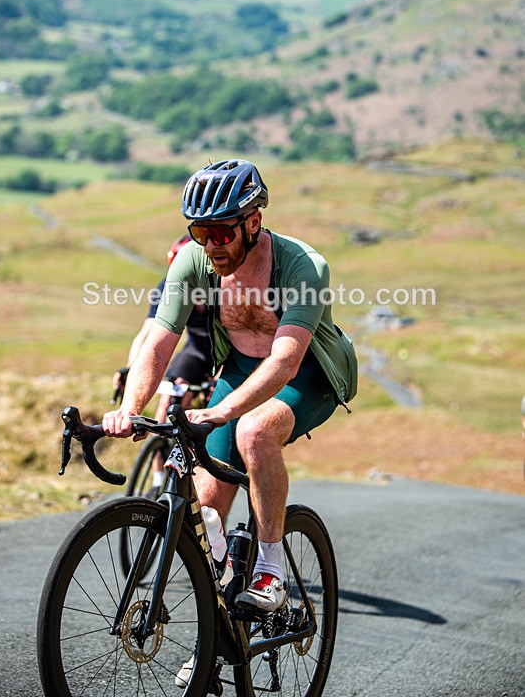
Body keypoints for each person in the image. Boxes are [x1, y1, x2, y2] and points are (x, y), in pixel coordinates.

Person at [103, 159, 357, 618]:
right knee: (204, 512)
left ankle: (269, 573)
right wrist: (130, 408)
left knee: (254, 434)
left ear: (253, 222)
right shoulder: (193, 262)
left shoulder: (303, 267)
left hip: (309, 374)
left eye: (221, 233)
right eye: (201, 233)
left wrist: (223, 412)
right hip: (240, 371)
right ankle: (214, 639)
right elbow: (160, 340)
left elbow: (285, 361)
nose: (211, 246)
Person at [112, 235, 214, 495]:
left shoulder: (220, 286)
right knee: (167, 402)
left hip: (225, 356)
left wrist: (216, 379)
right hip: (197, 351)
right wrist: (129, 369)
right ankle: (158, 480)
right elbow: (147, 335)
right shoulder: (168, 286)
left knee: (211, 408)